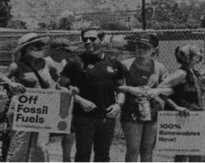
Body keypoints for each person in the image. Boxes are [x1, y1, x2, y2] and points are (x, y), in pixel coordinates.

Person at [59, 29, 124, 162]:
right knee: (83, 154)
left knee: (103, 155)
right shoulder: (75, 63)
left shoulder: (114, 63)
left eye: (93, 39)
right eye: (85, 39)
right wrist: (80, 100)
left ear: (102, 40)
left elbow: (121, 89)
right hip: (83, 118)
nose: (88, 42)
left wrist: (118, 105)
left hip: (107, 117)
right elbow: (61, 86)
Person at [6, 32, 65, 162]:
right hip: (23, 111)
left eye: (41, 44)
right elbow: (2, 81)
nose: (39, 47)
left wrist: (67, 89)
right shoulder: (16, 66)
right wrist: (12, 84)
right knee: (20, 147)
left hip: (43, 112)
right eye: (34, 45)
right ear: (25, 48)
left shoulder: (47, 64)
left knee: (40, 147)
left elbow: (59, 82)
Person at [117, 33, 170, 162]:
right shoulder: (125, 65)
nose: (141, 50)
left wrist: (156, 91)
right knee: (133, 149)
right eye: (138, 46)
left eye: (146, 47)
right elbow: (118, 87)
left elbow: (169, 89)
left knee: (148, 150)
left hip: (152, 112)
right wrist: (131, 89)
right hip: (131, 112)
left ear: (154, 50)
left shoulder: (159, 67)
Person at [160, 44, 205, 162]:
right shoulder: (181, 73)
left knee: (197, 153)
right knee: (182, 153)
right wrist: (176, 107)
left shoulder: (195, 73)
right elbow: (160, 89)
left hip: (196, 117)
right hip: (184, 117)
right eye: (196, 56)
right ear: (187, 57)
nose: (199, 58)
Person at [45, 40, 76, 162]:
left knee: (69, 133)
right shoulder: (46, 62)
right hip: (49, 102)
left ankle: (66, 159)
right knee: (45, 135)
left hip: (63, 103)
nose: (69, 53)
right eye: (66, 51)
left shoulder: (65, 62)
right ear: (58, 50)